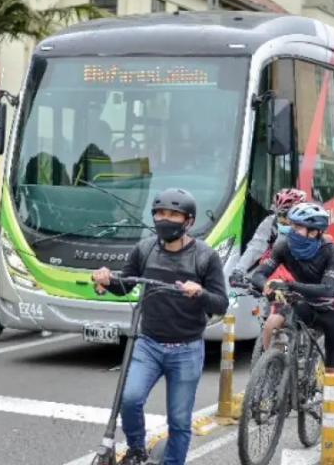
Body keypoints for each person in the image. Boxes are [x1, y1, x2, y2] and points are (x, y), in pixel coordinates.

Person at [91, 188, 228, 465]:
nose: (165, 220)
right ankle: (137, 450)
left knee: (178, 421)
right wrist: (105, 280)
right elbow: (125, 283)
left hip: (187, 349)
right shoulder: (145, 249)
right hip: (148, 344)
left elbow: (221, 303)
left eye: (173, 215)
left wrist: (199, 292)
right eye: (160, 214)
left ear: (188, 221)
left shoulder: (205, 256)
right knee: (129, 400)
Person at [248, 202, 334, 375]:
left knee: (333, 376)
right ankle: (271, 374)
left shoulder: (331, 252)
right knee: (271, 324)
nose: (291, 231)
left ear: (314, 232)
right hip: (305, 302)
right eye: (292, 226)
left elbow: (326, 289)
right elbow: (258, 275)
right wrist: (266, 286)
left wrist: (290, 285)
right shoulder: (283, 246)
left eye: (298, 227)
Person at [233, 188, 307, 275]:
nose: (280, 219)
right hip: (272, 273)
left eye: (285, 215)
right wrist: (239, 270)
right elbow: (255, 247)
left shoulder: (310, 228)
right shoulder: (271, 222)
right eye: (278, 213)